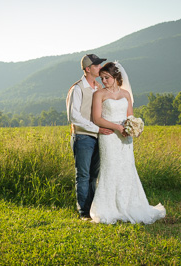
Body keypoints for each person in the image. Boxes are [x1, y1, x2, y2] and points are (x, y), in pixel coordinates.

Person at [90, 61, 166, 224]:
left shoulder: (126, 94)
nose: (104, 81)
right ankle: (108, 208)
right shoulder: (99, 94)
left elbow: (130, 116)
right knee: (110, 168)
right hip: (109, 136)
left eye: (107, 78)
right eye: (102, 78)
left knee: (127, 168)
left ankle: (129, 205)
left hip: (125, 137)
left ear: (116, 76)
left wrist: (134, 128)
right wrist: (117, 127)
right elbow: (97, 118)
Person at [66, 54, 114, 219]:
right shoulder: (77, 89)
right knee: (84, 175)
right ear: (88, 69)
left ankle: (93, 210)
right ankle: (84, 212)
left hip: (98, 137)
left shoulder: (98, 88)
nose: (100, 67)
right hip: (83, 137)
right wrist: (96, 129)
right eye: (96, 65)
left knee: (94, 175)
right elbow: (73, 116)